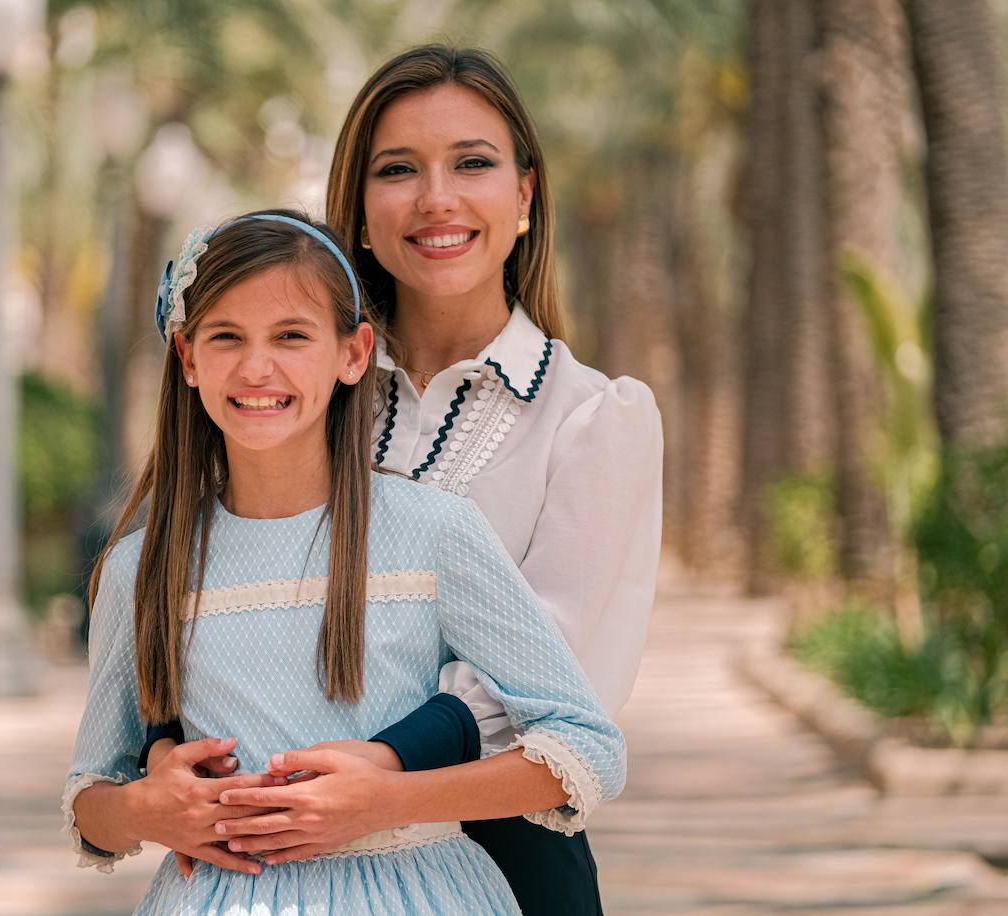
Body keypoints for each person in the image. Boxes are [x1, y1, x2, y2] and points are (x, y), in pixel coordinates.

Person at [143, 46, 663, 915]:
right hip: (263, 865)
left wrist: (379, 772)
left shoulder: (593, 419)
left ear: (526, 195)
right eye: (398, 170)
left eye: (473, 163)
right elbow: (207, 575)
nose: (436, 199)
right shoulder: (298, 383)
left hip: (500, 859)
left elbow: (562, 676)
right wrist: (167, 752)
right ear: (358, 209)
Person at [63, 210, 626, 915]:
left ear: (354, 353)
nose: (256, 366)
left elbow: (586, 746)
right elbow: (90, 798)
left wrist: (390, 799)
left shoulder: (434, 532)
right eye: (226, 337)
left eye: (291, 336)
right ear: (187, 358)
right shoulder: (141, 569)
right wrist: (149, 809)